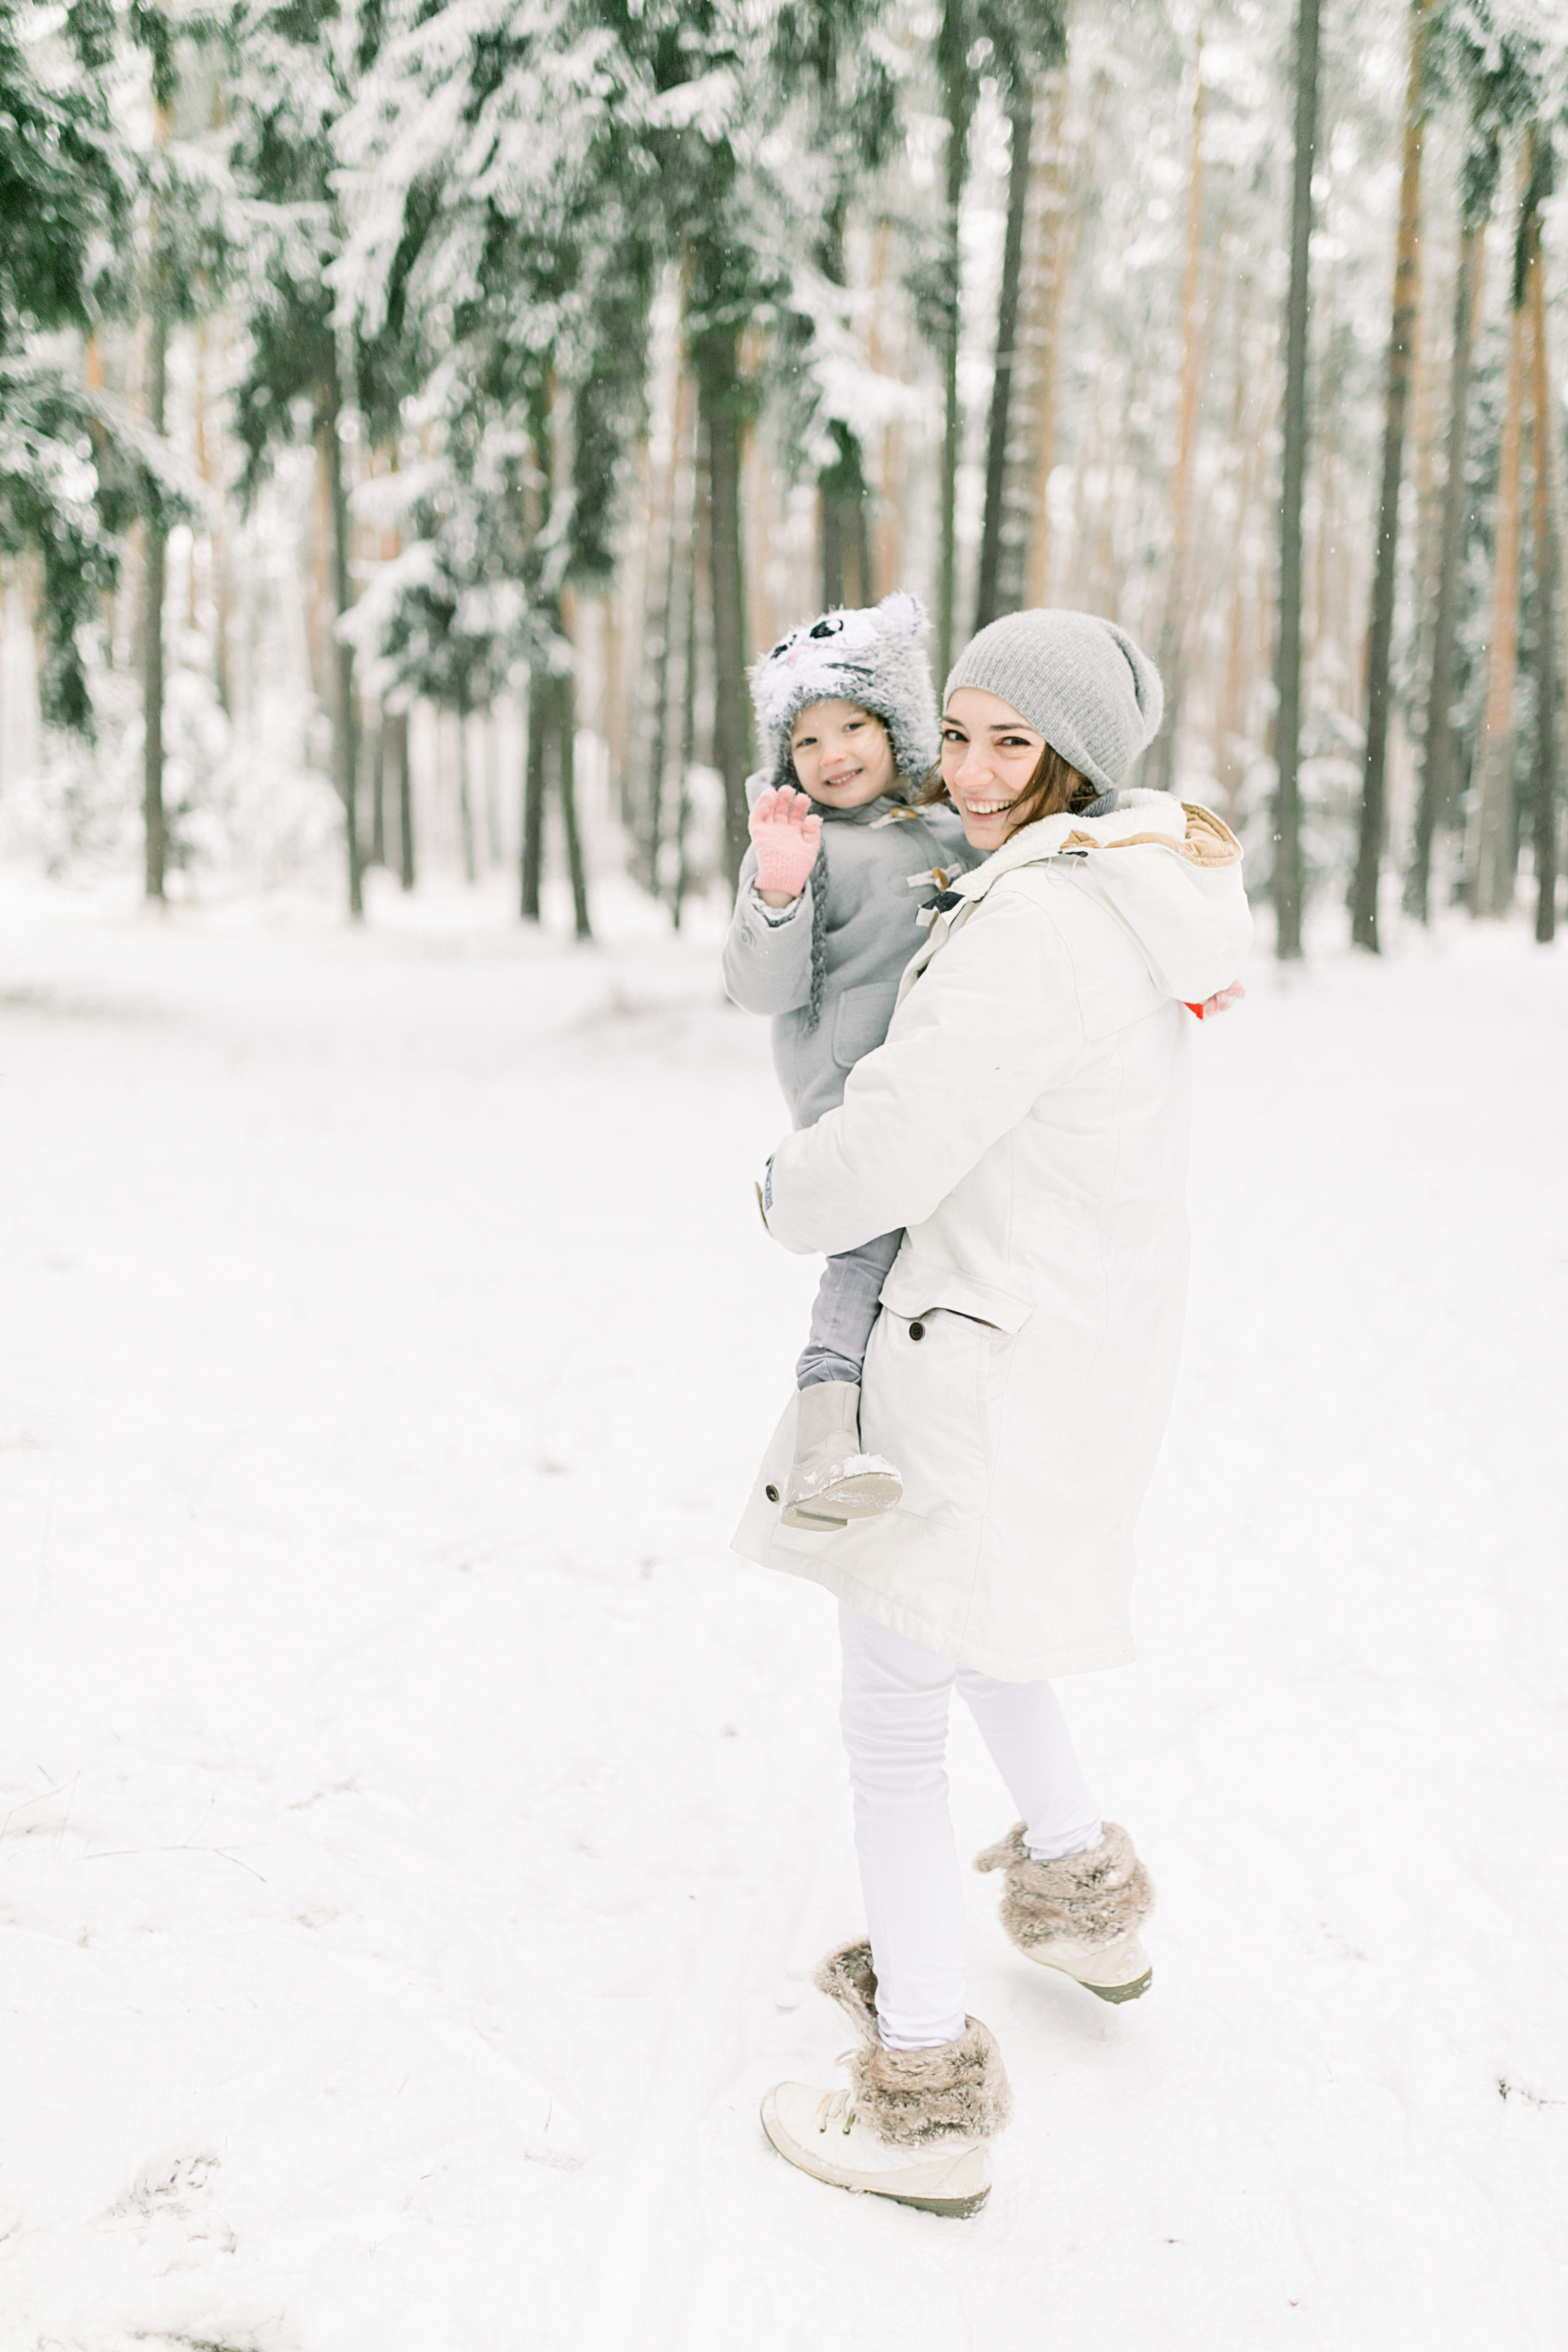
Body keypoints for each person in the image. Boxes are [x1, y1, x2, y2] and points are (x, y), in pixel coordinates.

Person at [732, 607, 1253, 2218]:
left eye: (1007, 742)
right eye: (954, 734)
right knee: (976, 1632)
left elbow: (890, 1140)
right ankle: (1082, 1894)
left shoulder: (1032, 926)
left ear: (1072, 757)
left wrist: (784, 1187)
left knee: (893, 1714)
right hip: (1053, 1346)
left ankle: (922, 2094)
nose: (965, 771)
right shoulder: (1114, 893)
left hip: (976, 1357)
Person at [722, 592, 979, 1531]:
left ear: (898, 724)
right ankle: (822, 1446)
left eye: (854, 727)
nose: (831, 754)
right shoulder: (799, 840)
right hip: (856, 1097)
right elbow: (759, 988)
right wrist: (780, 886)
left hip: (955, 1088)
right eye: (806, 740)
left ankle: (938, 1438)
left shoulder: (955, 825)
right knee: (865, 1264)